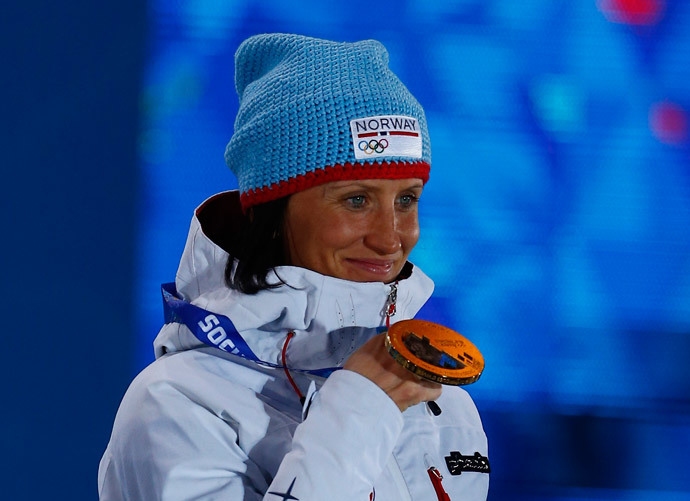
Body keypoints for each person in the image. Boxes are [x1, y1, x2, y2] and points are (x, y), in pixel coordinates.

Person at [98, 33, 489, 500]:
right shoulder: (178, 402)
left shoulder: (447, 409)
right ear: (272, 209)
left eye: (406, 199)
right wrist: (359, 409)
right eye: (357, 199)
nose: (390, 238)